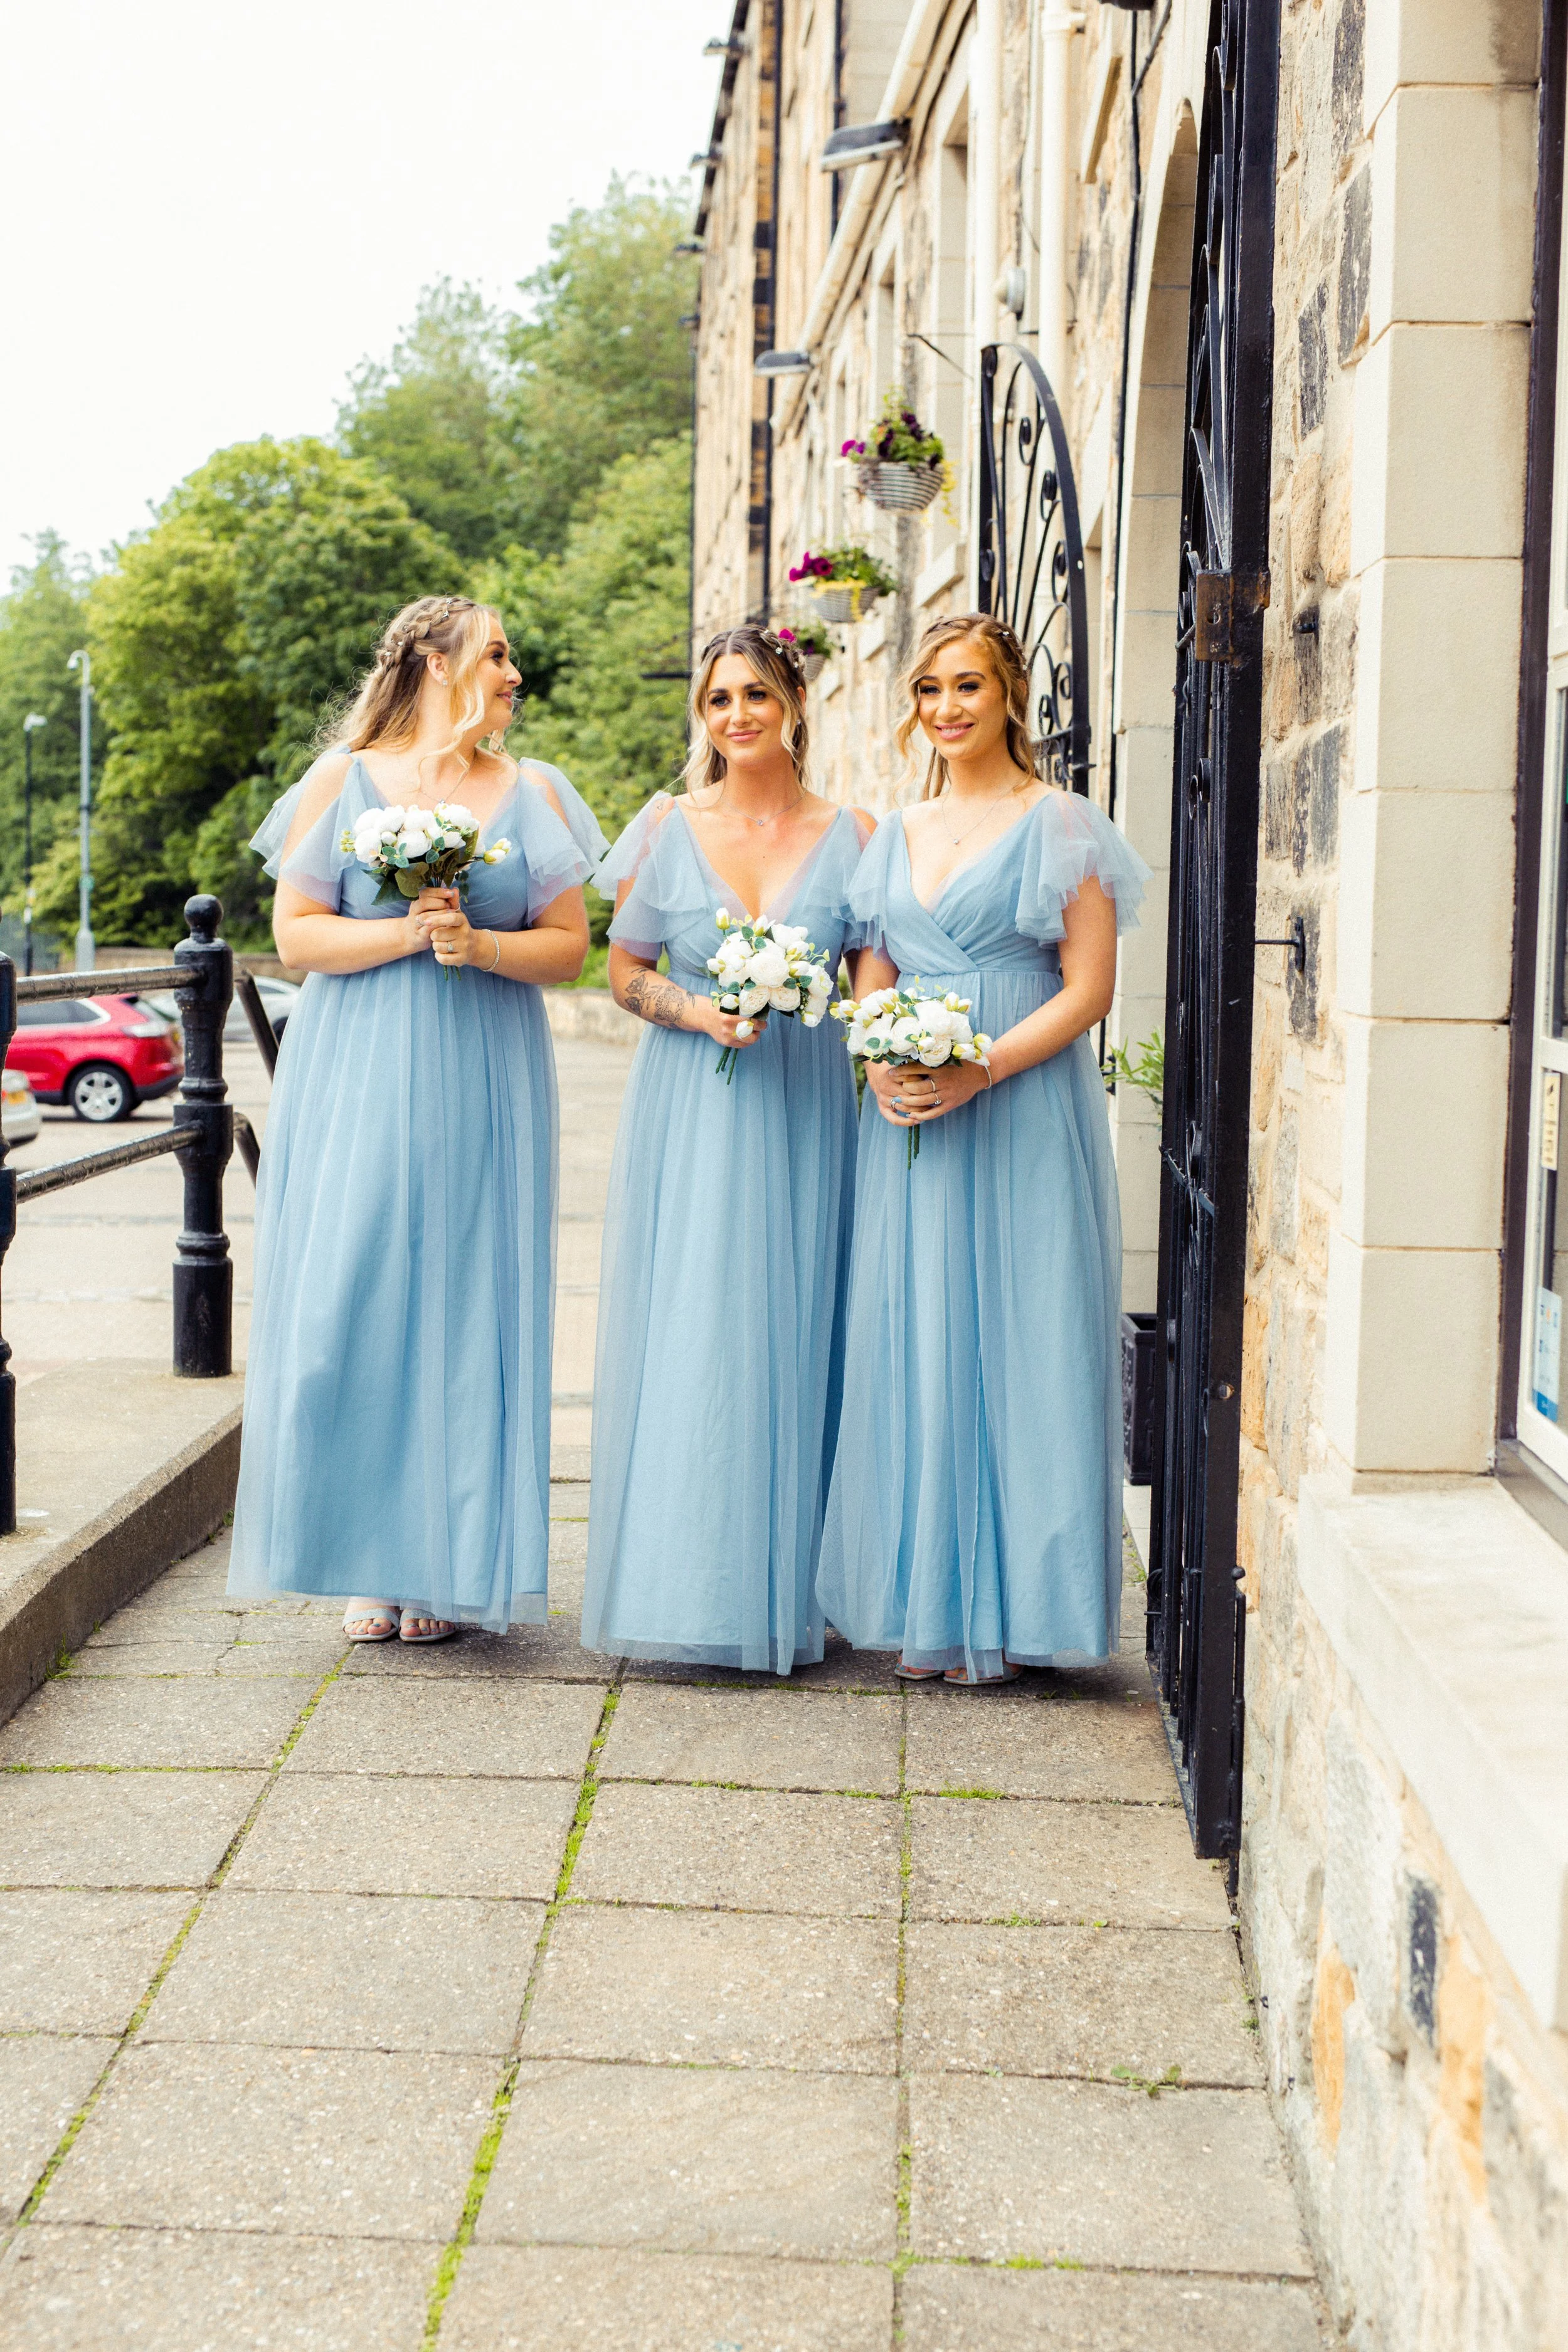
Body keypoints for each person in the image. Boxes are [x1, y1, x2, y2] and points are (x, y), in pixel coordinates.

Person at [226, 596, 593, 1642]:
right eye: (498, 653)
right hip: (358, 1071)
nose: (516, 673)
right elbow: (295, 936)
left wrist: (478, 945)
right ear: (436, 663)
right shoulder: (338, 784)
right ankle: (366, 1554)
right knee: (359, 1289)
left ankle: (446, 1560)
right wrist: (406, 936)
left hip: (485, 1068)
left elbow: (570, 946)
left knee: (469, 1296)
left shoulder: (537, 791)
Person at [817, 612, 1151, 1686]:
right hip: (912, 1111)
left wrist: (981, 1069)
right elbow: (870, 968)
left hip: (1019, 1103)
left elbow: (1088, 989)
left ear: (1010, 694)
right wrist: (880, 1061)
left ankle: (1020, 1610)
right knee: (918, 1336)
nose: (948, 708)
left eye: (968, 685)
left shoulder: (1062, 822)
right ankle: (928, 1602)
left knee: (1024, 1334)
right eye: (928, 690)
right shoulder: (893, 834)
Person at [581, 625, 874, 1671]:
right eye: (717, 701)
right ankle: (690, 1576)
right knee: (701, 1324)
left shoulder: (856, 831)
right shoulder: (667, 825)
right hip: (694, 1104)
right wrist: (702, 1014)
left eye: (755, 693)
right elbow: (623, 973)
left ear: (794, 697)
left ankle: (799, 1578)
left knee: (799, 1320)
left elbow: (873, 985)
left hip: (802, 1101)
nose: (737, 715)